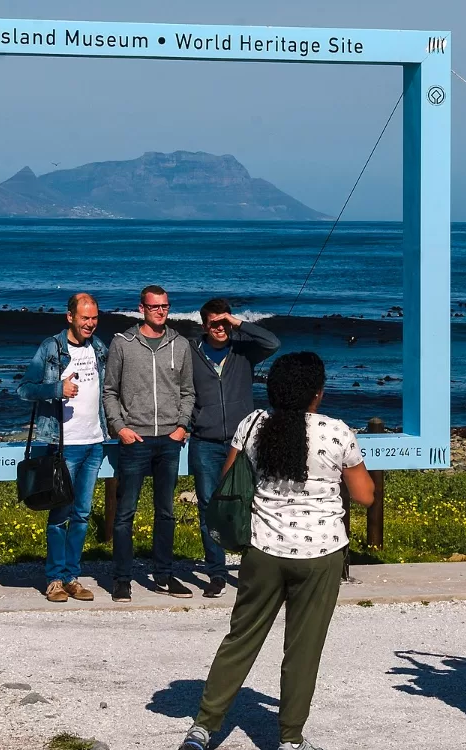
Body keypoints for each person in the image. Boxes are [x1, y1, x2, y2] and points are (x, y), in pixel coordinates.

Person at [175, 352, 375, 750]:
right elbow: (365, 495)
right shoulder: (337, 432)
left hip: (264, 548)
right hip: (320, 553)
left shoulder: (252, 424)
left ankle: (203, 728)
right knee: (303, 649)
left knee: (241, 638)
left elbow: (230, 479)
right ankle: (290, 739)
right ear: (317, 393)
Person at [104, 285, 197, 602]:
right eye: (155, 306)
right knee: (125, 513)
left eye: (165, 306)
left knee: (166, 512)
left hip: (169, 440)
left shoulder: (180, 344)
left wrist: (182, 426)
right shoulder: (123, 343)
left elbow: (188, 392)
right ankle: (122, 579)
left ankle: (164, 576)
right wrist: (120, 428)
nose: (161, 311)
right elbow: (110, 391)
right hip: (135, 439)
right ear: (141, 308)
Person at [18, 293, 110, 603]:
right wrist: (58, 388)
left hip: (94, 443)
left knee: (82, 514)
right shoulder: (51, 348)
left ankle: (72, 577)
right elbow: (24, 389)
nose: (90, 323)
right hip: (63, 445)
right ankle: (54, 579)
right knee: (60, 514)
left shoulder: (99, 348)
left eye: (94, 318)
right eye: (85, 318)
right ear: (70, 317)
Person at [187, 297, 281, 599]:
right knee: (208, 507)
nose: (220, 328)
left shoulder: (243, 350)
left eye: (224, 322)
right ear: (204, 325)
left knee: (251, 503)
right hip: (204, 441)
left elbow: (273, 343)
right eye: (215, 323)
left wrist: (238, 323)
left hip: (243, 442)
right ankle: (216, 572)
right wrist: (188, 422)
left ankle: (251, 570)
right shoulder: (191, 352)